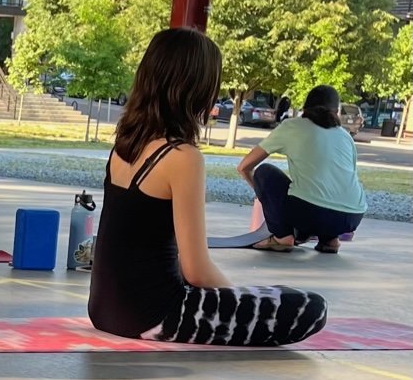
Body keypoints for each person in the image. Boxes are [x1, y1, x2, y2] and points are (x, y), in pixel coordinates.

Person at [88, 28, 327, 346]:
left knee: (278, 294)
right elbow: (196, 269)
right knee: (310, 307)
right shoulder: (182, 157)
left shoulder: (124, 145)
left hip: (104, 310)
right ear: (196, 89)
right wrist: (237, 298)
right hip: (153, 316)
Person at [237, 85, 366, 254]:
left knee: (264, 172)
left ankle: (282, 238)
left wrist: (264, 196)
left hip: (310, 213)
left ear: (305, 108)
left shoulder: (292, 126)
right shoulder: (345, 136)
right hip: (352, 217)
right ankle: (330, 240)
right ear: (337, 112)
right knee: (322, 193)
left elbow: (245, 166)